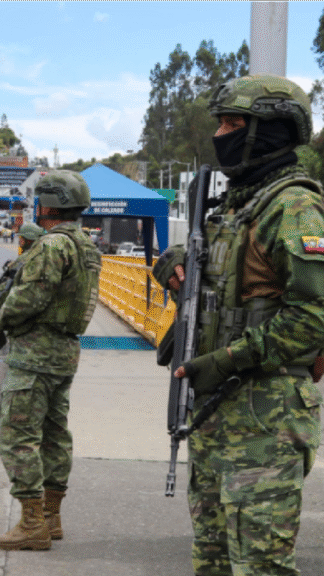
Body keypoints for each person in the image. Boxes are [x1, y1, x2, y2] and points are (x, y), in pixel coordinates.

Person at [154, 74, 324, 576]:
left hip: (265, 416)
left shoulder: (294, 208)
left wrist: (227, 360)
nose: (220, 135)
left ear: (268, 131)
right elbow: (208, 262)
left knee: (261, 565)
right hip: (216, 410)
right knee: (212, 561)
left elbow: (312, 317)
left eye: (233, 124)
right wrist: (174, 261)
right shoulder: (236, 205)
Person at [0, 170, 101, 551]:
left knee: (18, 436)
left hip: (35, 353)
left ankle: (32, 523)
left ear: (48, 205)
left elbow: (29, 298)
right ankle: (51, 517)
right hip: (64, 352)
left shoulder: (51, 246)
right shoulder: (86, 246)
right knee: (54, 435)